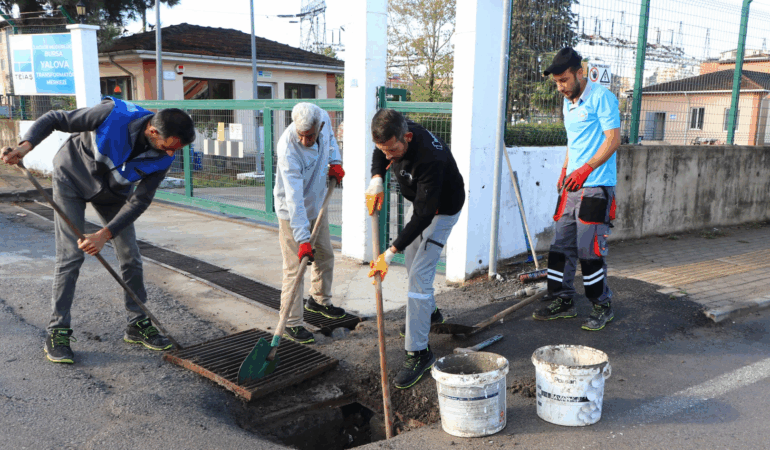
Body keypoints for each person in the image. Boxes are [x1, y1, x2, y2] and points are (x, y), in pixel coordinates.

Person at [1, 97, 195, 363]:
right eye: (168, 147)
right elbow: (56, 118)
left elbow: (140, 201)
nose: (171, 154)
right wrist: (24, 147)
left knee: (130, 256)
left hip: (113, 193)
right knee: (70, 256)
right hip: (71, 179)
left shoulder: (165, 157)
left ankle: (137, 324)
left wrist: (104, 234)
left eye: (177, 149)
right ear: (152, 131)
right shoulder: (112, 114)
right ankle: (57, 330)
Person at [366, 109, 465, 389]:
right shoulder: (393, 133)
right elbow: (380, 152)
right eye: (383, 150)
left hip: (442, 210)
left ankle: (419, 353)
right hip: (423, 204)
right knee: (412, 262)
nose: (388, 156)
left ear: (407, 137)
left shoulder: (431, 159)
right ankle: (430, 314)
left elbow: (423, 216)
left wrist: (389, 253)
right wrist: (377, 179)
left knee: (419, 275)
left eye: (393, 150)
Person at [533, 47, 621, 331]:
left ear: (580, 73)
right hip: (572, 186)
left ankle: (602, 305)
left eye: (564, 80)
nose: (560, 87)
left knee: (589, 250)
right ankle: (564, 300)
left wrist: (586, 169)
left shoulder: (602, 98)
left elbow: (613, 140)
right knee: (560, 247)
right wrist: (565, 169)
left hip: (595, 187)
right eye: (556, 82)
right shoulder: (567, 102)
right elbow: (574, 141)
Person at [274, 102, 346, 344]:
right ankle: (292, 322)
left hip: (317, 203)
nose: (305, 141)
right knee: (295, 268)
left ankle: (319, 300)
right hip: (291, 213)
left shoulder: (323, 118)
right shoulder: (287, 148)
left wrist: (335, 161)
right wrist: (303, 238)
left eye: (311, 136)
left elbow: (331, 141)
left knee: (325, 254)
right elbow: (294, 198)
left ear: (320, 126)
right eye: (301, 135)